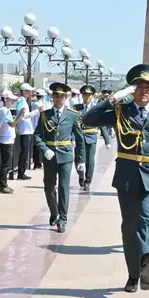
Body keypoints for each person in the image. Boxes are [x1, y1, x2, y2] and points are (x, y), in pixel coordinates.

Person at [82, 64, 149, 293]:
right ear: (132, 90)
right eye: (139, 87)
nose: (144, 91)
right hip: (126, 177)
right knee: (129, 228)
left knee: (148, 218)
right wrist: (114, 98)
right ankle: (134, 275)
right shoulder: (121, 111)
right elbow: (88, 119)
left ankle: (147, 261)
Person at [33, 82, 86, 232]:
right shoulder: (45, 115)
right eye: (56, 95)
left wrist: (81, 160)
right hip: (49, 157)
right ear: (52, 97)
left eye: (61, 96)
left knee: (64, 188)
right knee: (49, 187)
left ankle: (62, 219)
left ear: (66, 97)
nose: (58, 99)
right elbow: (36, 136)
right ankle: (54, 212)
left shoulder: (72, 116)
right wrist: (44, 149)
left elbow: (80, 140)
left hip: (66, 156)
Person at [73, 84, 106, 190]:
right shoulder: (76, 108)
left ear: (92, 96)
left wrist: (106, 138)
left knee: (90, 160)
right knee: (78, 159)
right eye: (85, 95)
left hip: (91, 136)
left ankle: (88, 181)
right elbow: (73, 123)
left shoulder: (95, 108)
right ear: (82, 96)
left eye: (89, 95)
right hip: (79, 136)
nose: (87, 97)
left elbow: (101, 123)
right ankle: (81, 176)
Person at [13, 83, 37, 180]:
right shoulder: (21, 101)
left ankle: (22, 172)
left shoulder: (23, 101)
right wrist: (37, 111)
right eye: (29, 91)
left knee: (25, 152)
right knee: (24, 152)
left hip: (26, 129)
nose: (30, 93)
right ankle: (21, 173)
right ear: (24, 92)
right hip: (24, 130)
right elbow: (25, 115)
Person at [0, 89, 19, 193]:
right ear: (5, 100)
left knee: (7, 163)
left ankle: (4, 184)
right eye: (10, 100)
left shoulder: (5, 110)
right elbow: (13, 124)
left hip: (7, 139)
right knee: (6, 164)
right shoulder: (4, 110)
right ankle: (3, 185)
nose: (12, 102)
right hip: (6, 140)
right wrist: (20, 115)